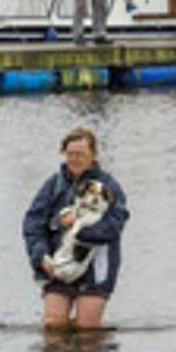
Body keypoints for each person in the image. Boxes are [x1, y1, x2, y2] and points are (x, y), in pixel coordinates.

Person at [22, 127, 129, 329]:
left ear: (93, 156)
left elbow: (115, 225)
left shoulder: (108, 186)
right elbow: (32, 223)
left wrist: (78, 228)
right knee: (54, 328)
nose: (75, 159)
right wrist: (40, 256)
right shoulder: (54, 184)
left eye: (81, 154)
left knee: (87, 331)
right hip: (59, 265)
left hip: (97, 267)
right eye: (70, 154)